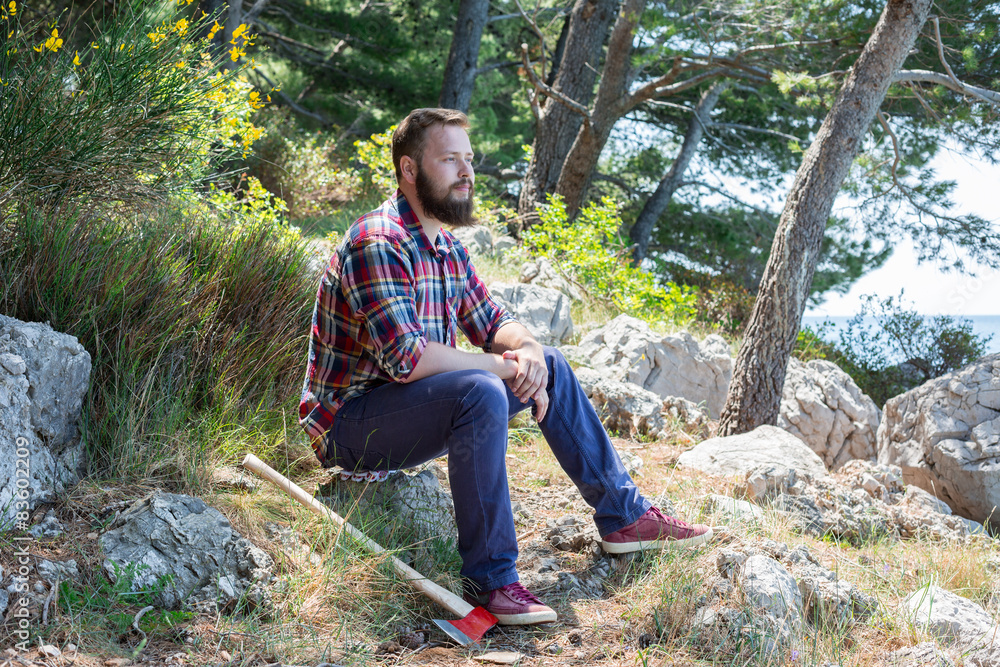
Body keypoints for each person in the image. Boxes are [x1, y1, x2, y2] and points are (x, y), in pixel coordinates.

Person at [299, 108, 713, 626]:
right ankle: (491, 581)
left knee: (554, 366)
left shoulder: (447, 248)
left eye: (468, 159)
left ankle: (624, 519)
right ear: (409, 170)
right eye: (449, 159)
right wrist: (501, 365)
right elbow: (408, 360)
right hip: (349, 427)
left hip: (411, 414)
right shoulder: (377, 241)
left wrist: (530, 349)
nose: (466, 172)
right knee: (482, 389)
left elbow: (493, 319)